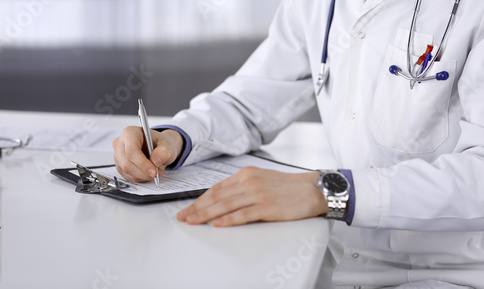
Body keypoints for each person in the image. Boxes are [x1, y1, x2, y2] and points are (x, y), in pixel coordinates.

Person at [112, 0, 484, 288]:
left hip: (451, 272)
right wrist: (176, 136)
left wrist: (328, 192)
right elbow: (251, 100)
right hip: (341, 257)